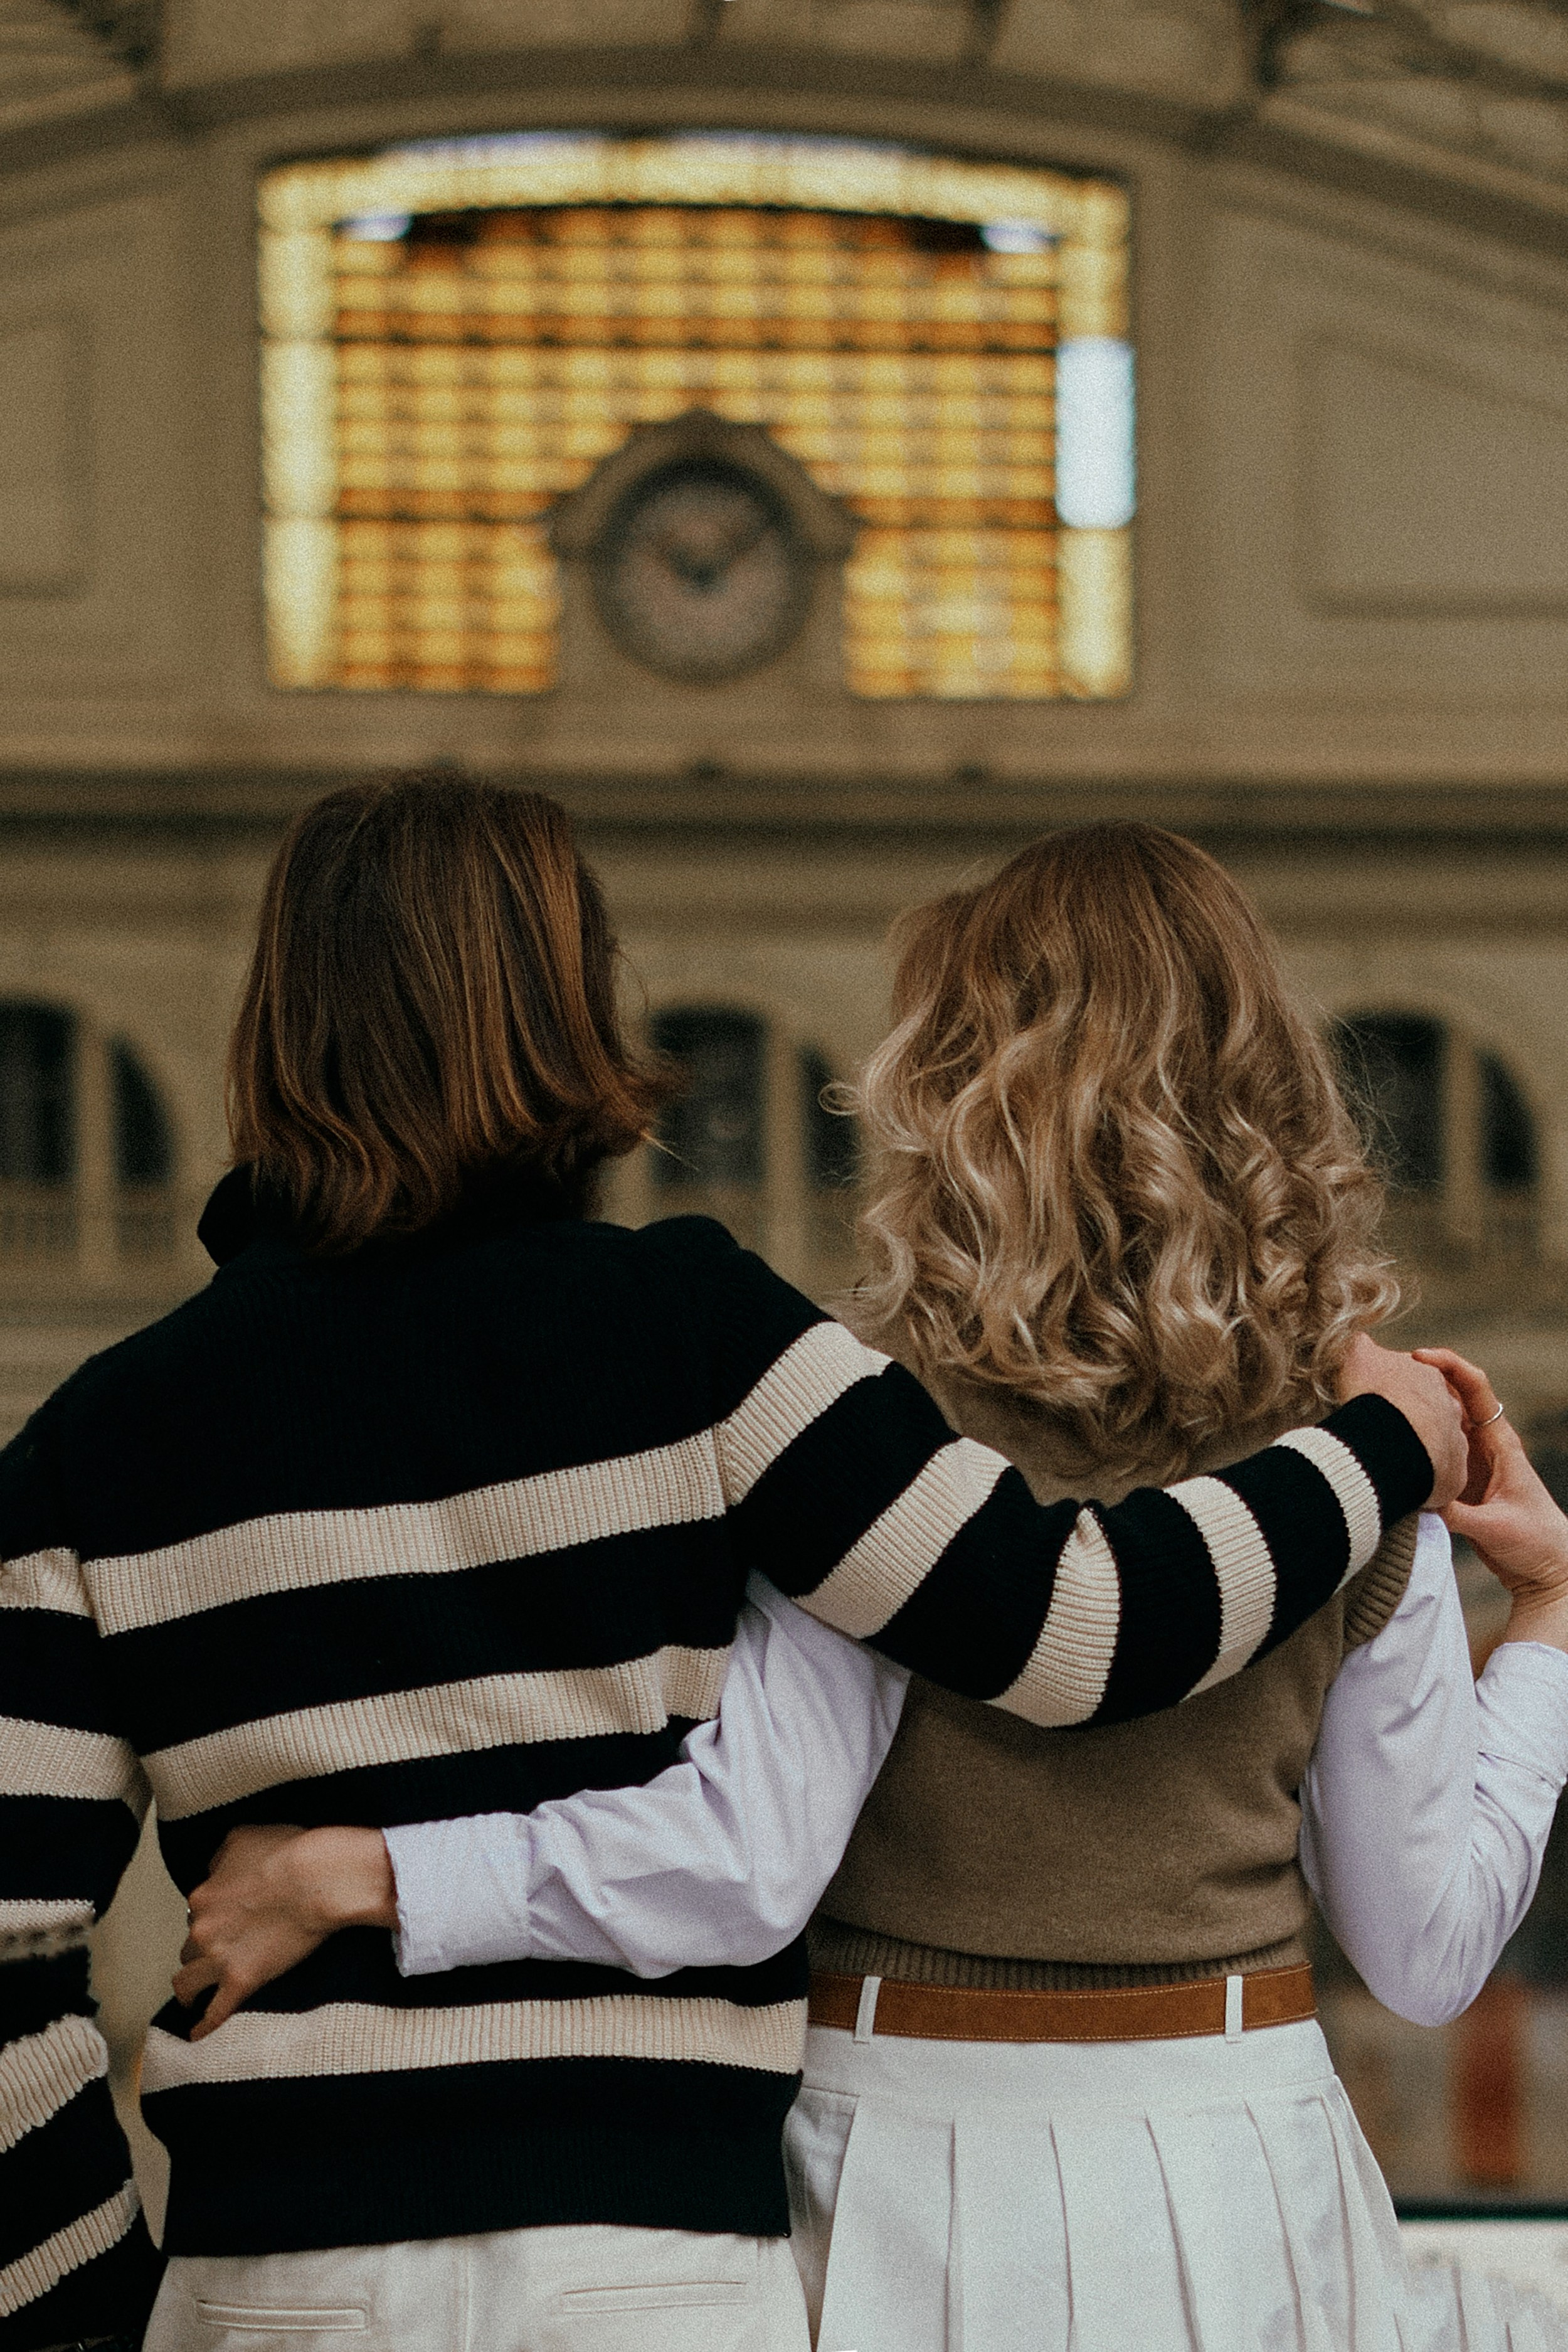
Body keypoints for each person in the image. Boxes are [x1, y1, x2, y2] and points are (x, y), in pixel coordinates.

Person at [0, 785, 1459, 2352]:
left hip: (274, 2267)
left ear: (268, 1033)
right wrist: (1392, 1447)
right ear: (573, 1003)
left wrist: (83, 2324)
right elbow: (1073, 1628)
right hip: (652, 2267)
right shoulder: (700, 1337)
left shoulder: (91, 1445)